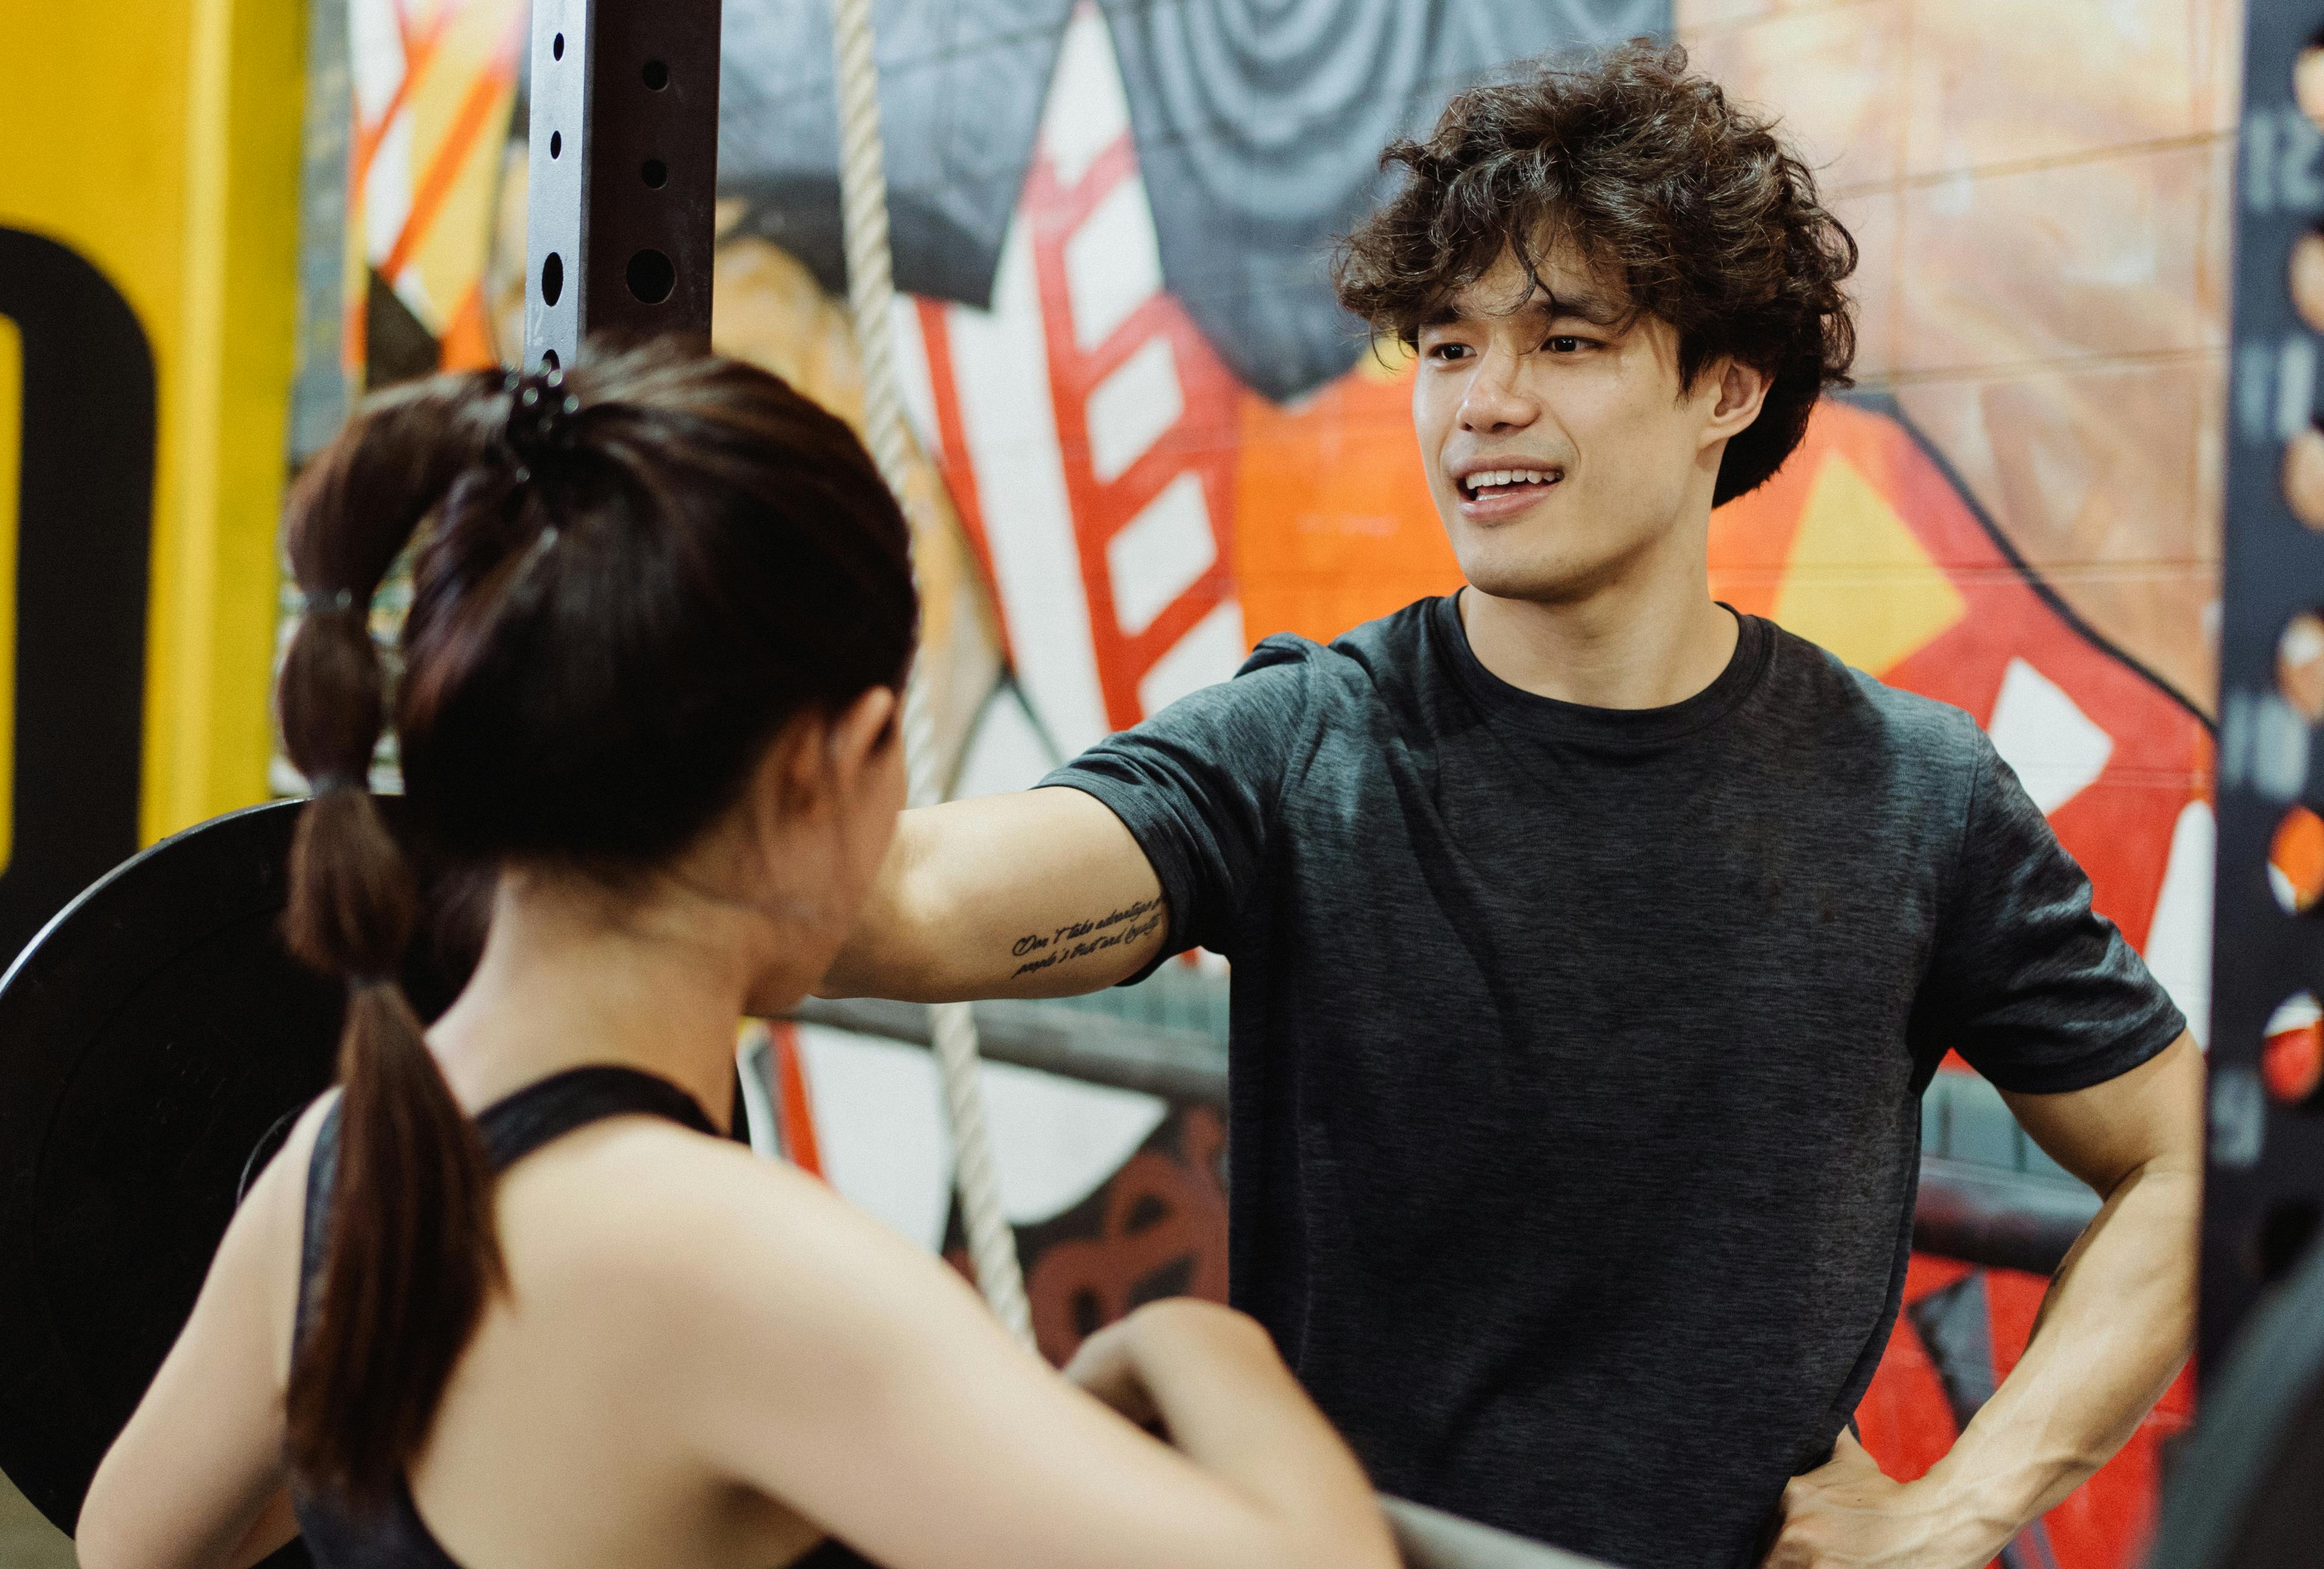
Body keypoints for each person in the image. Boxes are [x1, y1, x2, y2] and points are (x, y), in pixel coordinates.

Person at [817, 41, 2204, 1569]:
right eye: (1451, 345)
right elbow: (928, 897)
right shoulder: (1307, 744)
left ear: (1724, 387)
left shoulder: (1914, 793)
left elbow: (2177, 1158)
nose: (1483, 402)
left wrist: (1960, 1507)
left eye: (1564, 341)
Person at [74, 341, 1400, 1569]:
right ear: (829, 765)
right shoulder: (728, 1268)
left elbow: (126, 1546)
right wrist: (1196, 1345)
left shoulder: (340, 1160)